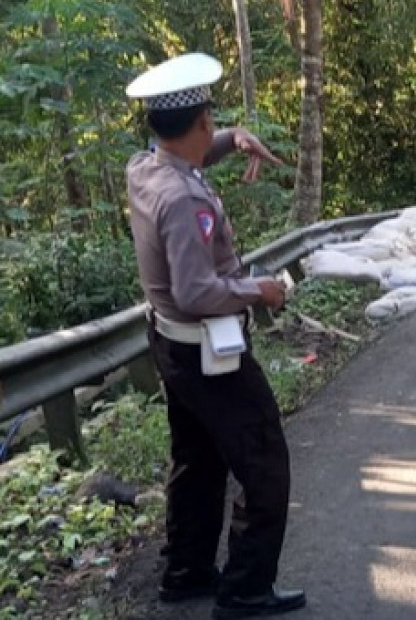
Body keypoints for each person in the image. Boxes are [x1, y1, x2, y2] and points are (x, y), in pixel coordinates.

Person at [124, 53, 304, 619]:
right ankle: (246, 588)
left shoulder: (146, 169)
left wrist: (232, 139)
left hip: (170, 343)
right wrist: (262, 291)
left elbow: (188, 162)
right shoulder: (184, 201)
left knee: (198, 459)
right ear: (198, 121)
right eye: (213, 120)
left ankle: (187, 571)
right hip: (205, 349)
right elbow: (200, 291)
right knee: (263, 458)